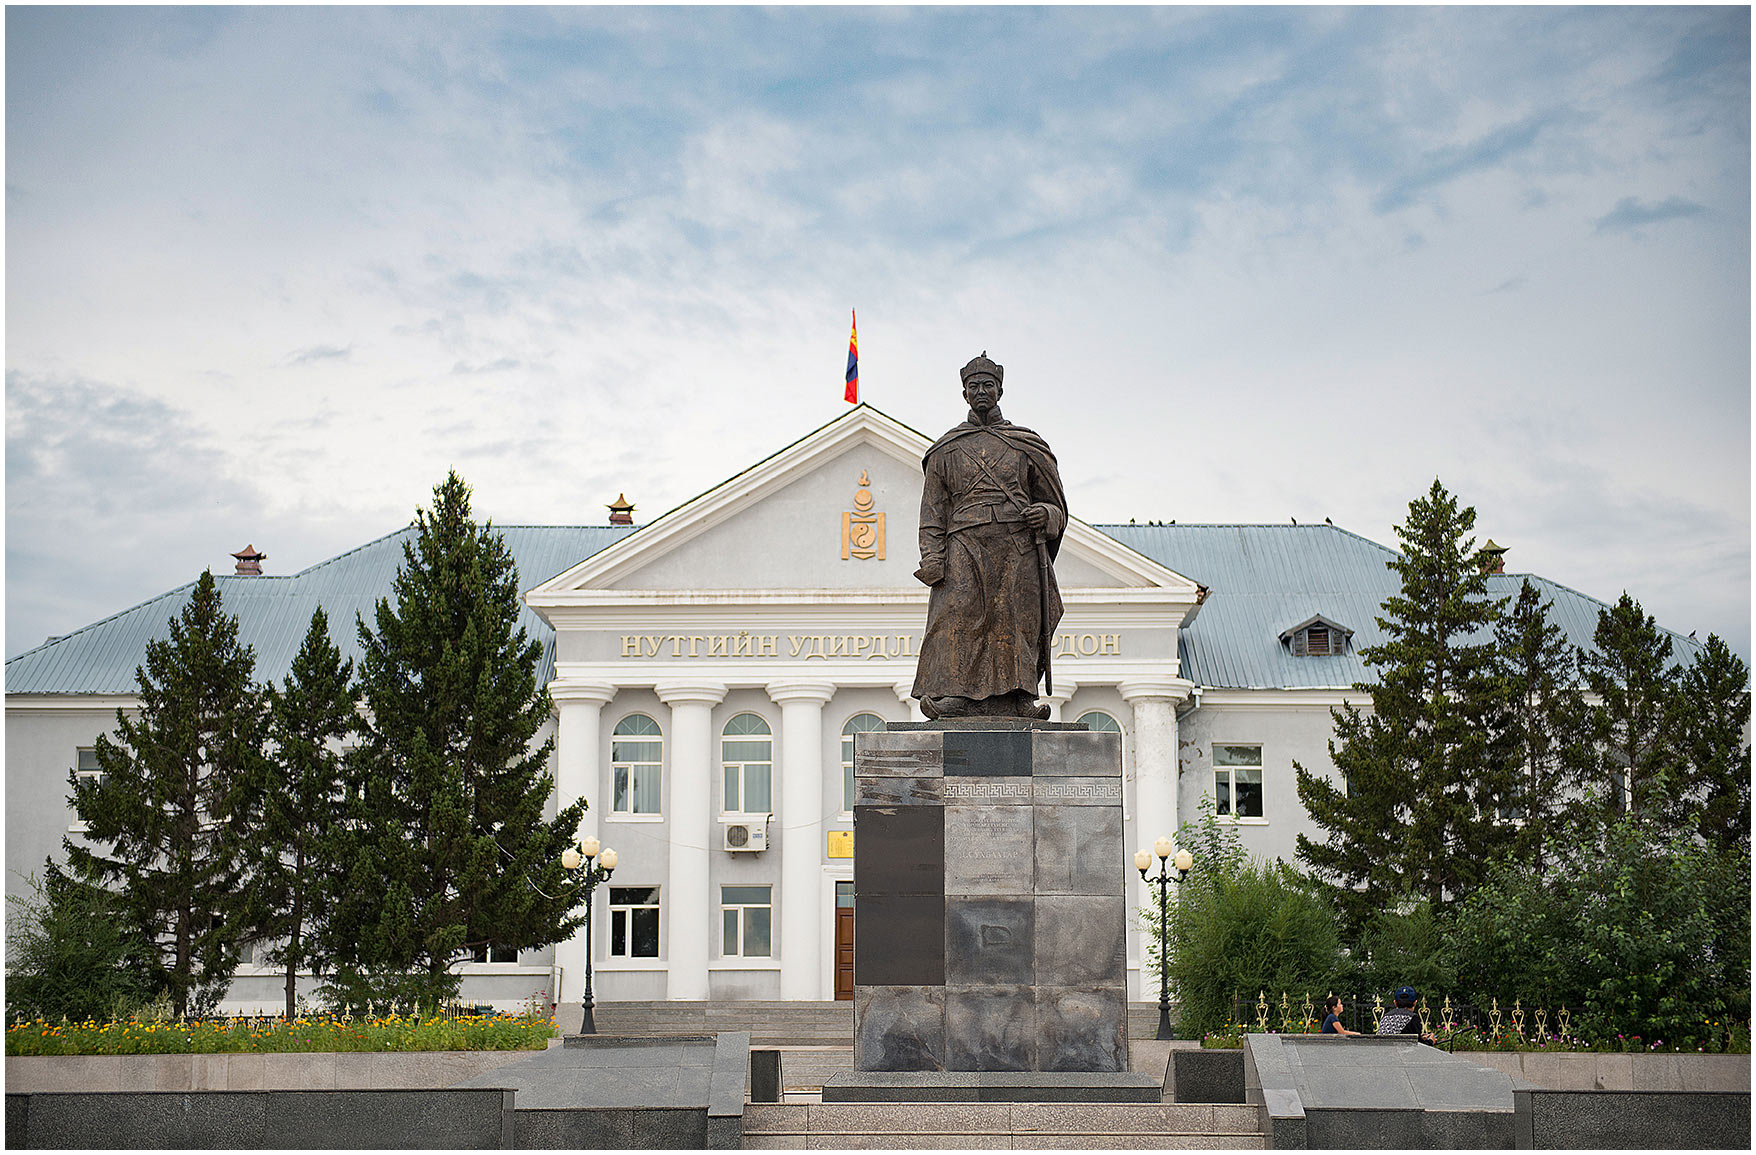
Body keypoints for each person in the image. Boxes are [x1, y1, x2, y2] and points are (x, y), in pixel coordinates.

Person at [912, 353, 1067, 720]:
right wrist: (932, 557)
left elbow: (1054, 504)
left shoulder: (1025, 444)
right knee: (959, 615)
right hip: (964, 544)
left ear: (1000, 390)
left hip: (1017, 546)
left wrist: (1045, 514)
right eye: (973, 386)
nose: (981, 392)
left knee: (1016, 619)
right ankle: (956, 696)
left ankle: (1019, 697)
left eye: (988, 385)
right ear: (964, 394)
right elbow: (933, 511)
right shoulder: (946, 450)